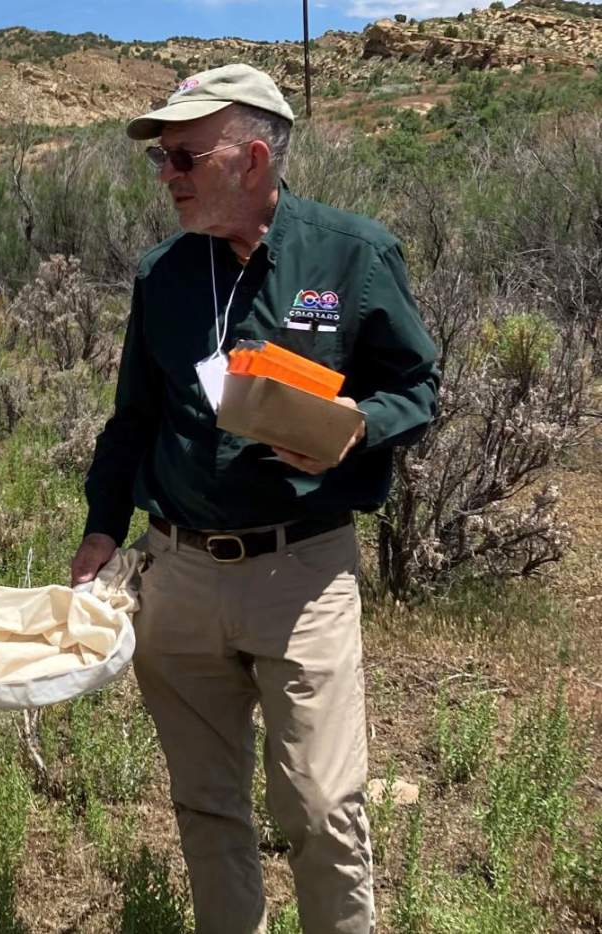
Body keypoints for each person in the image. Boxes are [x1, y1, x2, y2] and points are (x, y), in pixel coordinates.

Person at [71, 65, 439, 933]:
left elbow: (417, 389)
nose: (168, 176)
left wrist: (356, 421)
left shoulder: (351, 254)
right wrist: (99, 529)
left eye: (185, 158)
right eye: (161, 160)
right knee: (206, 807)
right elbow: (132, 420)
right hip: (179, 575)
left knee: (320, 807)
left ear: (256, 157)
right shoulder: (162, 275)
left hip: (300, 573)